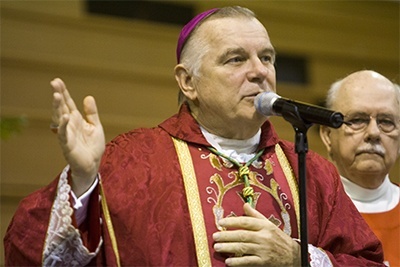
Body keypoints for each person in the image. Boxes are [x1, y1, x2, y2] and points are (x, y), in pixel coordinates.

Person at [4, 6, 385, 267]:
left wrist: (298, 257)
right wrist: (84, 183)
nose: (259, 72)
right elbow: (27, 252)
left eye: (267, 58)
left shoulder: (312, 172)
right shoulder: (131, 161)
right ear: (188, 82)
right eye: (236, 59)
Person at [319, 70, 400, 267]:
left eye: (386, 122)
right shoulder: (309, 213)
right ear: (328, 135)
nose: (373, 133)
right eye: (357, 120)